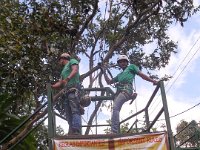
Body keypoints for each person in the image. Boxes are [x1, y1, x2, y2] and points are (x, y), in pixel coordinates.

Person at [102, 54, 158, 134]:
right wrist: (104, 71)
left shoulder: (131, 67)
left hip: (126, 90)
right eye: (121, 62)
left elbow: (141, 75)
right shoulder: (119, 75)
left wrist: (153, 81)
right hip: (121, 92)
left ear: (127, 62)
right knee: (116, 108)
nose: (123, 63)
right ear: (119, 64)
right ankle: (115, 130)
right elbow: (109, 82)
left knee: (115, 107)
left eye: (124, 61)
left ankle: (114, 131)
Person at [51, 53, 82, 135]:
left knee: (75, 110)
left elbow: (75, 70)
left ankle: (76, 130)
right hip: (67, 92)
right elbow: (60, 82)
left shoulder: (72, 61)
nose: (59, 62)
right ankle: (72, 130)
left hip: (73, 89)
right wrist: (52, 86)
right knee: (68, 113)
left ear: (63, 58)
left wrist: (68, 79)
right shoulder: (63, 71)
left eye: (60, 60)